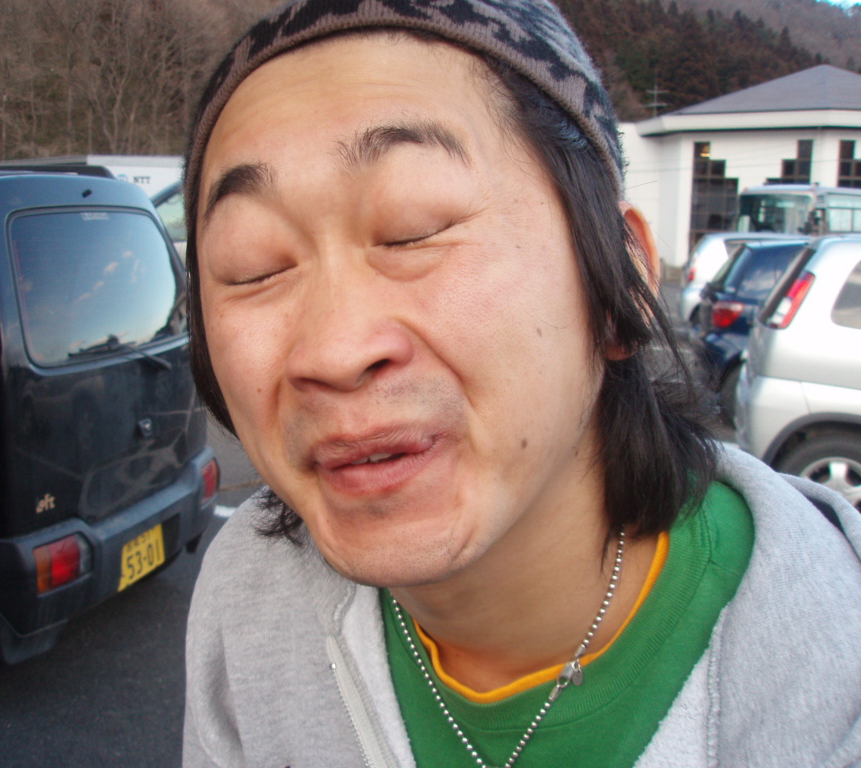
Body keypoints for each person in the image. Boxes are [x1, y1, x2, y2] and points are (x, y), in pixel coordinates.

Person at [180, 1, 861, 766]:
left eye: (414, 230)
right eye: (253, 266)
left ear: (622, 284)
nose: (333, 351)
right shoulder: (248, 597)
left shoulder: (833, 677)